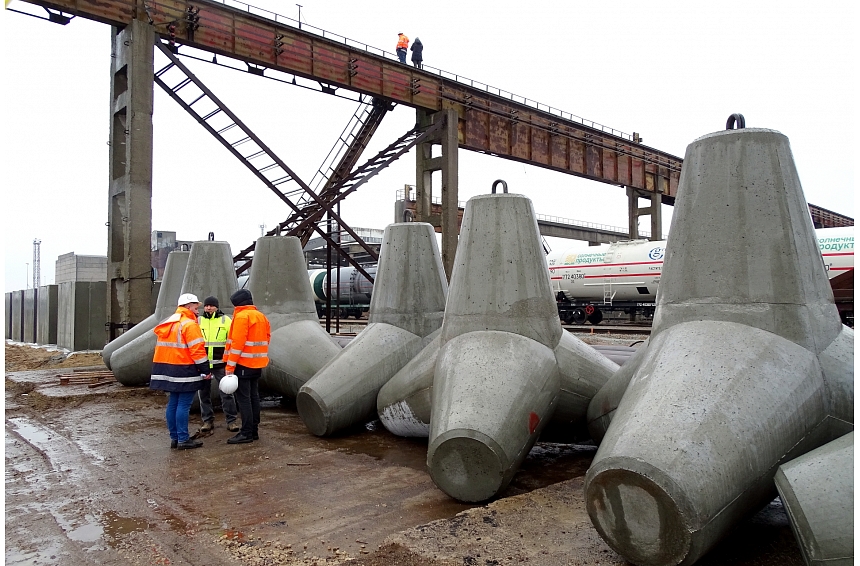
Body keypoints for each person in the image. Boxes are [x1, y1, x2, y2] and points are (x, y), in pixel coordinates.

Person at [150, 293, 212, 450]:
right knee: (184, 405)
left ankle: (175, 438)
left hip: (166, 368)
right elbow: (197, 351)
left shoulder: (169, 323)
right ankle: (183, 439)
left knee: (173, 403)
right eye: (196, 308)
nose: (198, 311)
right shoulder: (189, 325)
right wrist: (206, 370)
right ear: (188, 307)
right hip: (184, 369)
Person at [223, 289, 271, 444]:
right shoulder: (260, 316)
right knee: (253, 397)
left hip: (243, 364)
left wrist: (230, 366)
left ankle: (246, 433)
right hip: (257, 364)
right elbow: (267, 337)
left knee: (244, 399)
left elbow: (237, 344)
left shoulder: (242, 317)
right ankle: (254, 430)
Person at [197, 296, 240, 433]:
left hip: (221, 364)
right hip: (204, 364)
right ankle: (207, 421)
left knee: (227, 393)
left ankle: (231, 421)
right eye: (206, 305)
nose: (208, 308)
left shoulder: (226, 320)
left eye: (211, 305)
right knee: (203, 394)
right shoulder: (198, 321)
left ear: (217, 307)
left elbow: (232, 340)